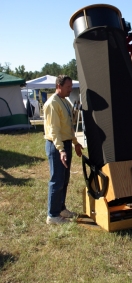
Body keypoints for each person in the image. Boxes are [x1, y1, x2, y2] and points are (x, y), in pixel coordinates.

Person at [44, 75, 83, 224]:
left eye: (71, 86)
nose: (70, 89)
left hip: (65, 143)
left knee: (64, 179)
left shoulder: (65, 101)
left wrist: (75, 143)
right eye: (68, 87)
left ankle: (61, 208)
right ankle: (52, 215)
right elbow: (54, 130)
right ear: (58, 86)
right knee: (57, 180)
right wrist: (61, 150)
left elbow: (68, 127)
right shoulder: (52, 103)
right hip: (56, 145)